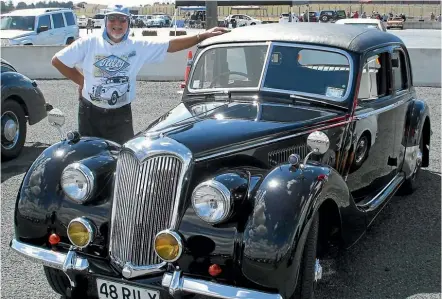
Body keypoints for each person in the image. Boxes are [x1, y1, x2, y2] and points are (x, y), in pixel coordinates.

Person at [51, 4, 229, 145]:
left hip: (121, 114)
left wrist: (201, 36)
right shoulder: (89, 43)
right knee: (89, 154)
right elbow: (58, 61)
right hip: (90, 111)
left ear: (128, 23)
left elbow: (170, 45)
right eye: (112, 19)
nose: (117, 24)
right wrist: (82, 81)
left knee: (121, 156)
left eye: (122, 20)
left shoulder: (137, 46)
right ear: (105, 21)